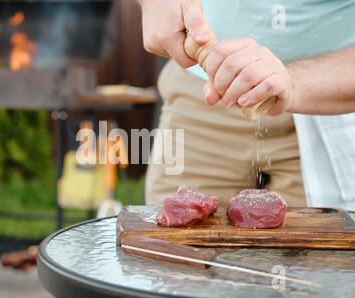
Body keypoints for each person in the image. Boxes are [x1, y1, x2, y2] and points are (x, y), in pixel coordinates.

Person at [139, 0, 355, 210]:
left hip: (328, 99)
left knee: (317, 242)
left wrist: (292, 82)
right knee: (169, 242)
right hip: (199, 99)